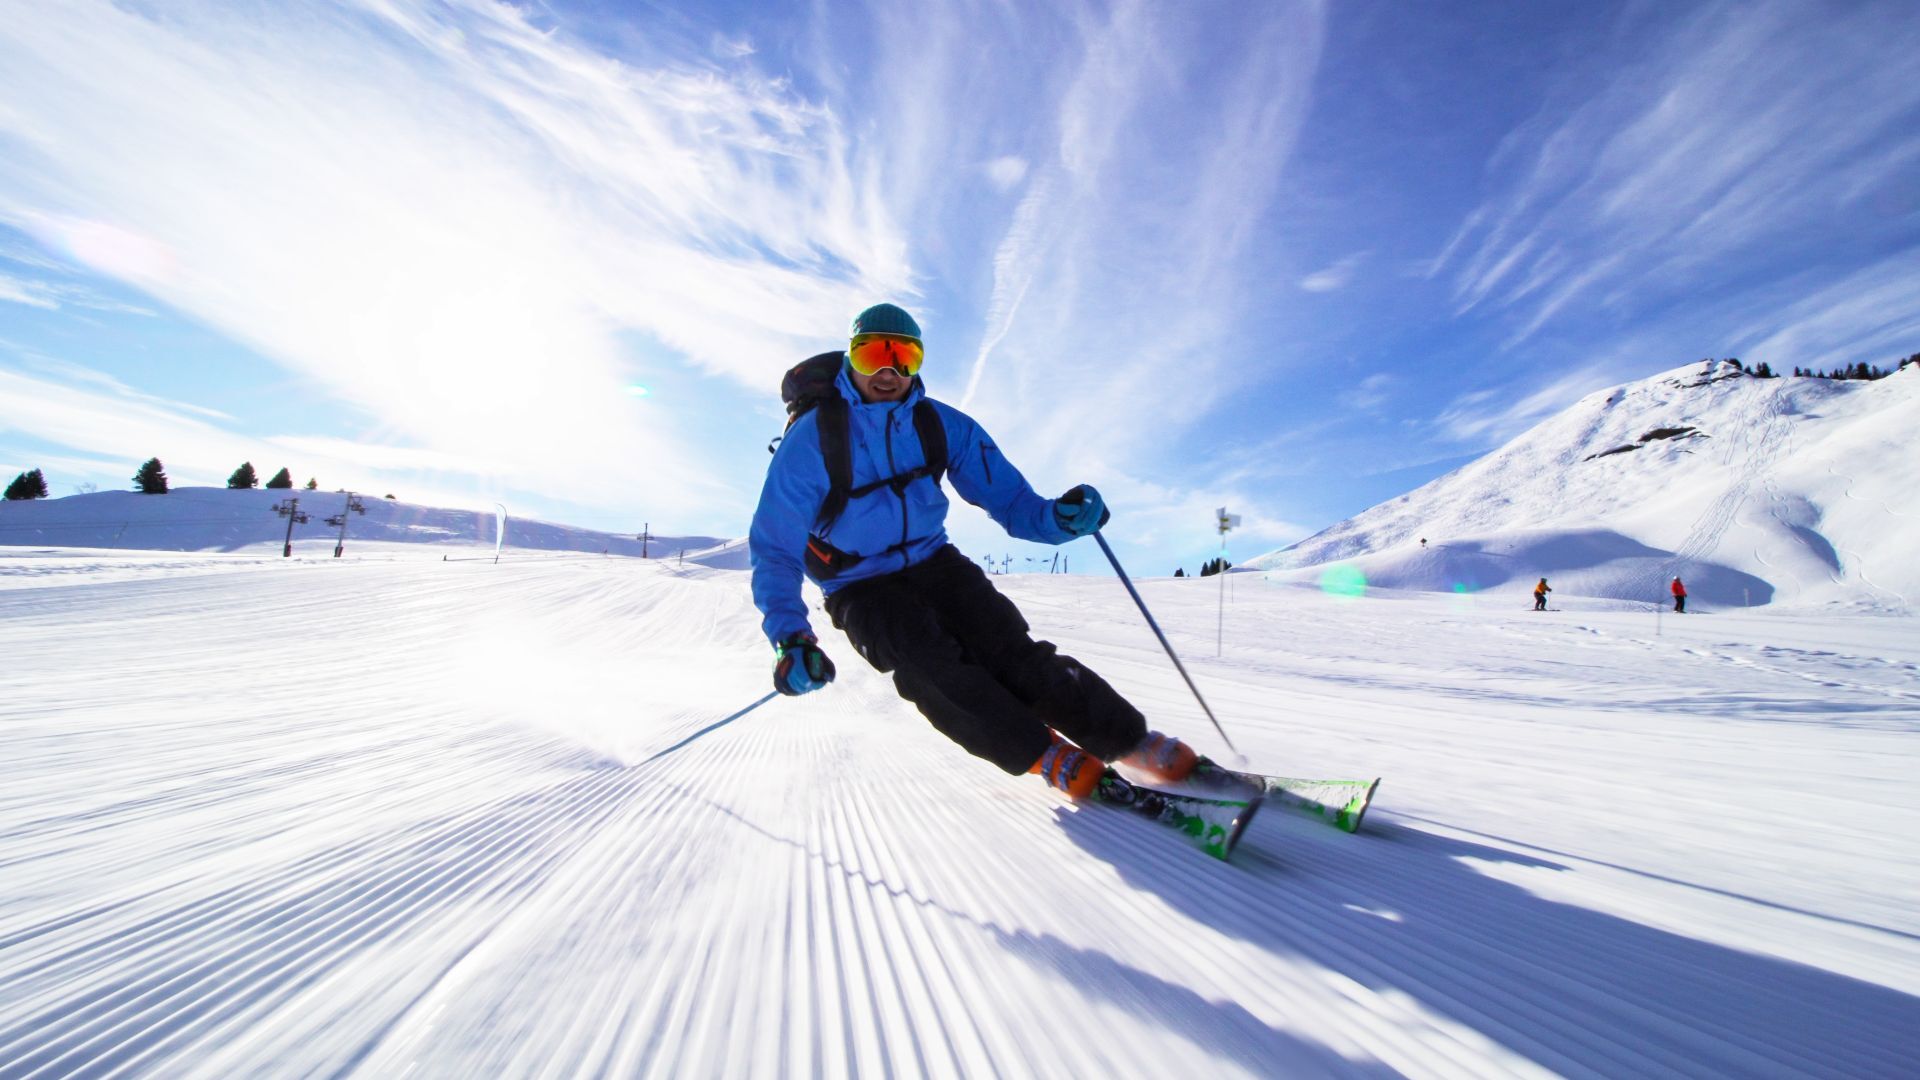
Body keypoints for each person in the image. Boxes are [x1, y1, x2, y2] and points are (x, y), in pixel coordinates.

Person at [750, 303, 1199, 800]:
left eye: (905, 357)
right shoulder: (812, 440)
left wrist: (1059, 519)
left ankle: (1133, 743)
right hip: (858, 584)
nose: (887, 370)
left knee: (1013, 653)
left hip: (934, 560)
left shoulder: (943, 425)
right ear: (851, 359)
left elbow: (1012, 502)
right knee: (931, 669)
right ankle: (1048, 757)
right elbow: (775, 548)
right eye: (873, 352)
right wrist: (790, 636)